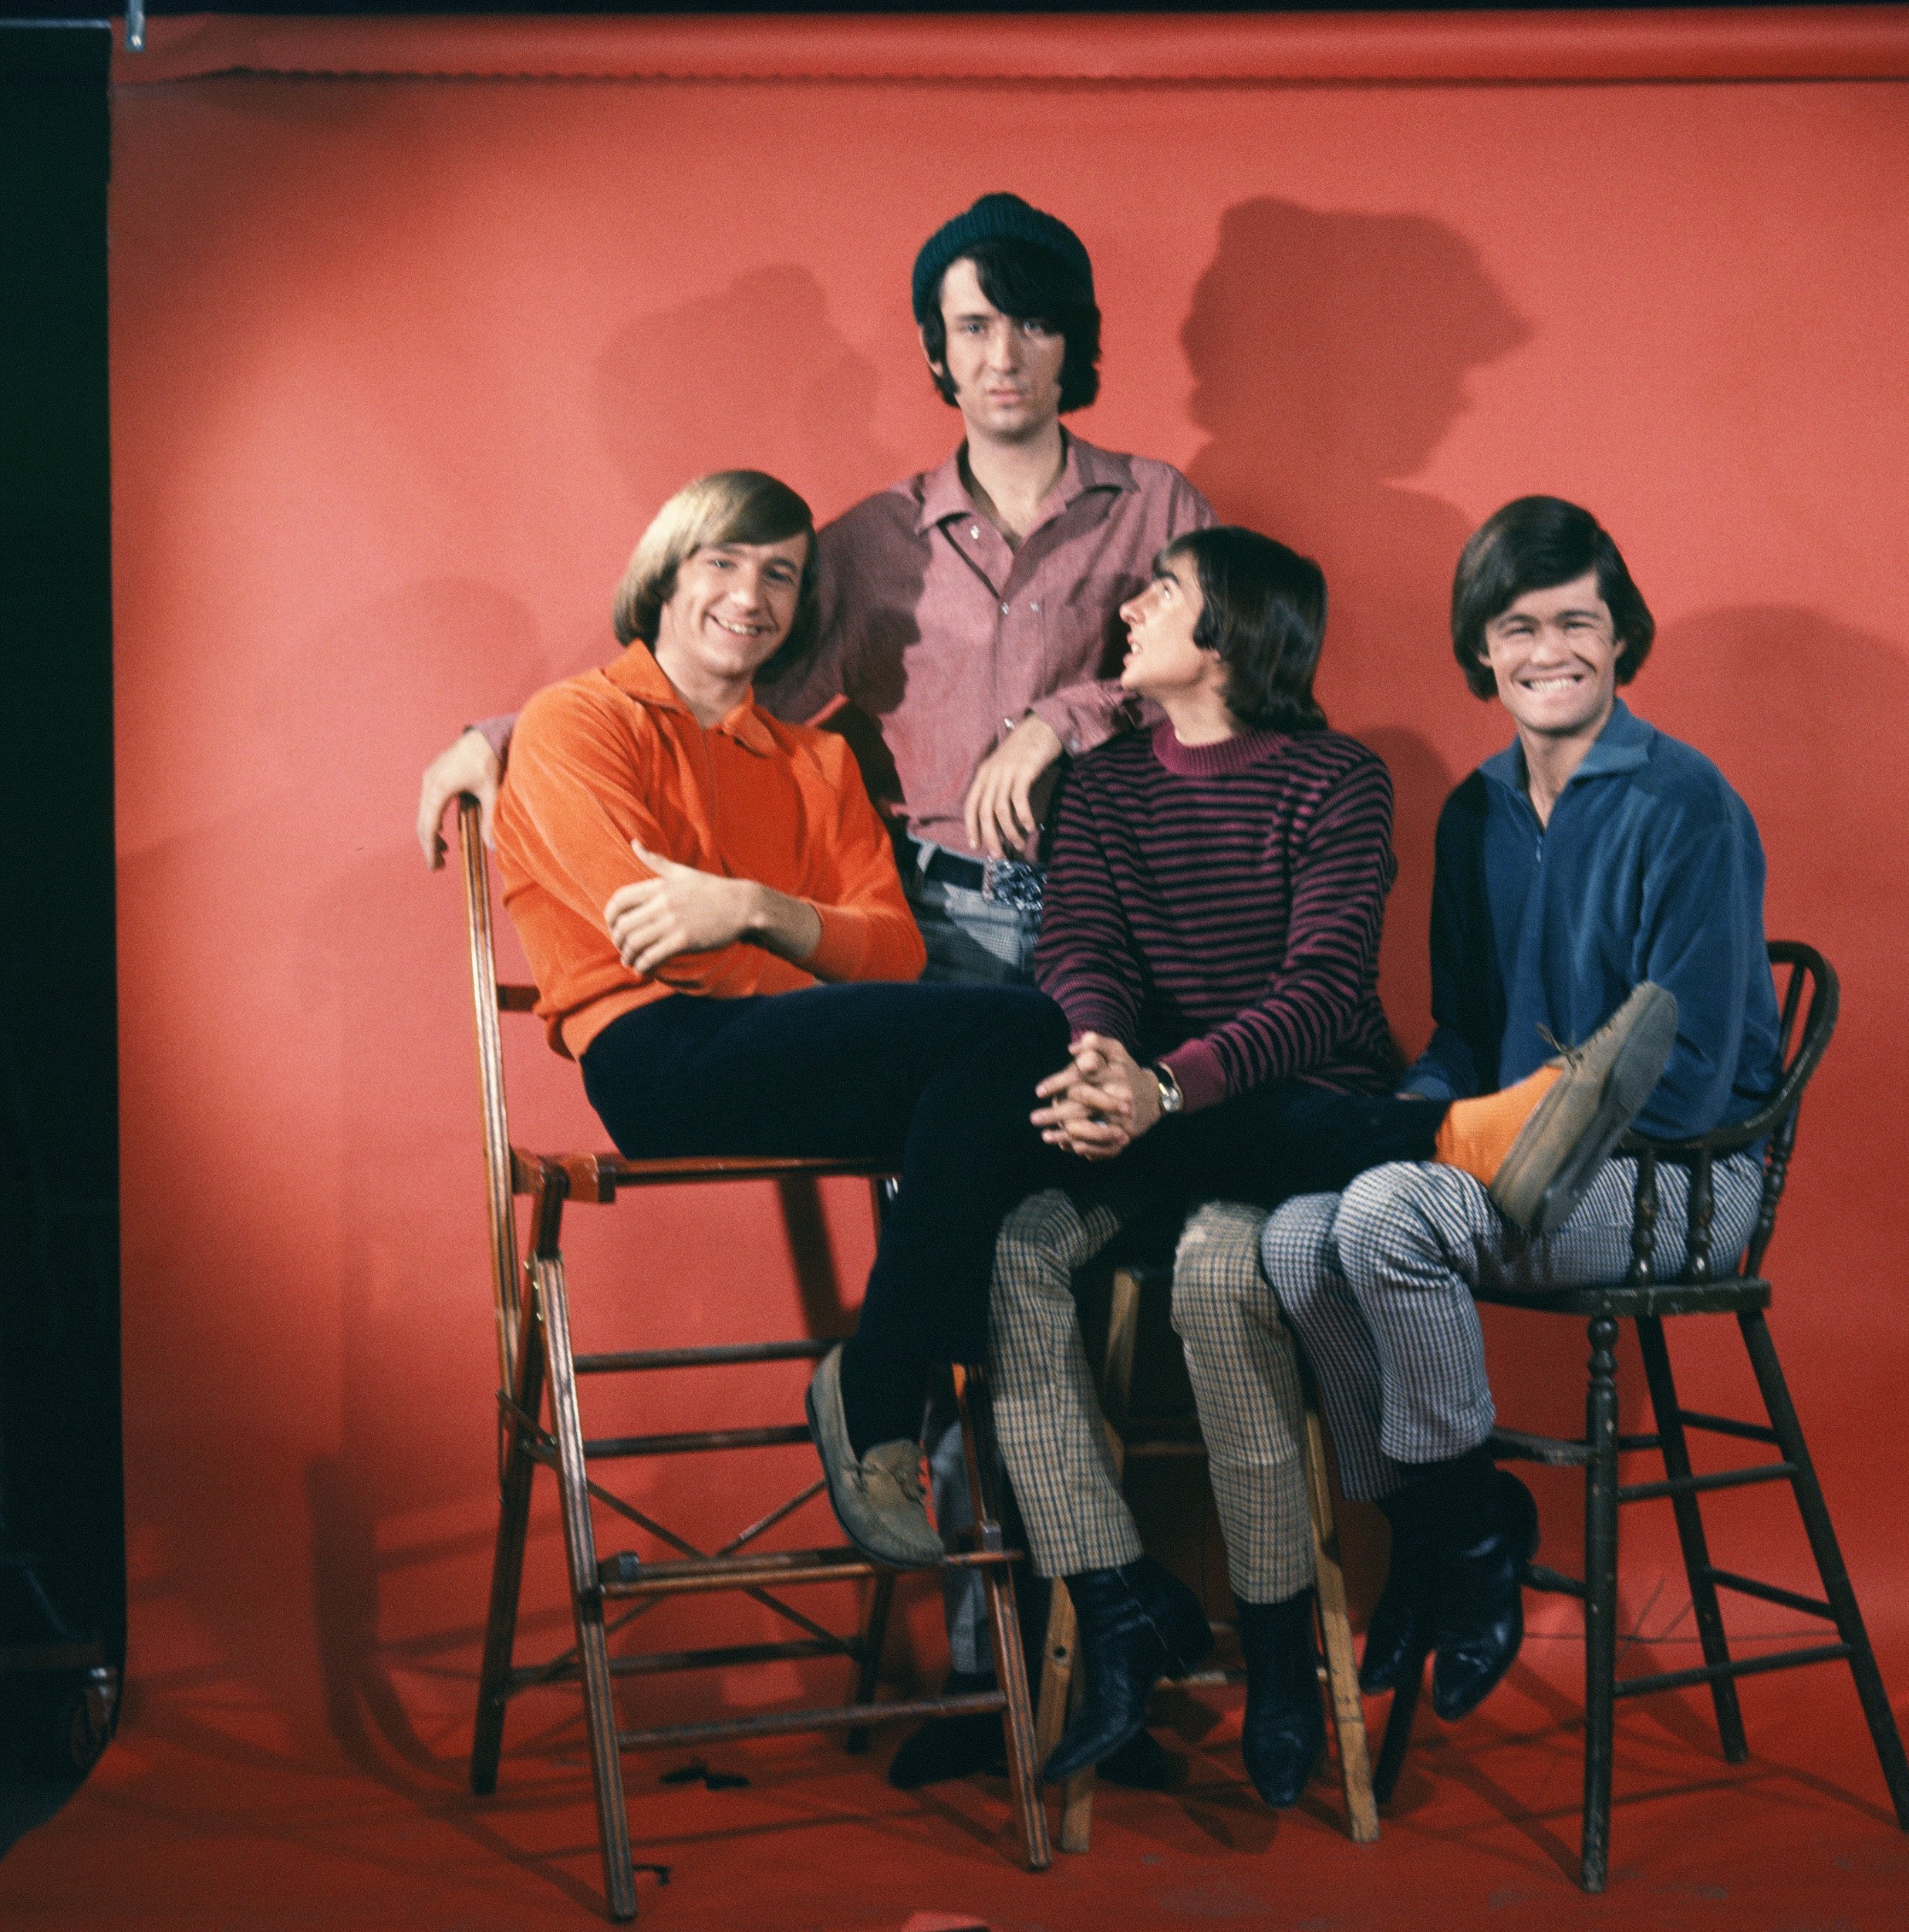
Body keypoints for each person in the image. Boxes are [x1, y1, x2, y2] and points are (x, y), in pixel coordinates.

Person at [418, 193, 1214, 1783]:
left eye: (1031, 319)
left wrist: (1056, 719)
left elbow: (1208, 663)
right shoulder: (860, 545)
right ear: (934, 347)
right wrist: (500, 741)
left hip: (1105, 926)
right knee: (992, 1221)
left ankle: (1066, 1644)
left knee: (1065, 1262)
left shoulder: (1156, 503)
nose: (1002, 352)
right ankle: (1007, 1659)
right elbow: (689, 687)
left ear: (1075, 340)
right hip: (886, 974)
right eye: (971, 323)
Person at [989, 524, 1678, 1809]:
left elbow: (1318, 1000)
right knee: (1016, 1249)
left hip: (1278, 1103)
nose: (1130, 607)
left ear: (1234, 632)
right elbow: (1077, 949)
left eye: (1163, 591)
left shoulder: (1335, 781)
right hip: (1144, 1105)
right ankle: (1117, 1596)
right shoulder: (1102, 789)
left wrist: (1162, 1087)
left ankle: (1280, 1655)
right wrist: (1098, 1057)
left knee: (1214, 1273)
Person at [489, 468, 1075, 1578]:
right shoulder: (578, 721)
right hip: (658, 1060)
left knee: (1006, 1072)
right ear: (665, 573)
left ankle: (895, 1397)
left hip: (779, 1056)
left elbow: (895, 954)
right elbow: (653, 939)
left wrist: (752, 908)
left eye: (782, 576)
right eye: (723, 562)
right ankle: (883, 1396)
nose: (751, 596)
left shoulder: (820, 761)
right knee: (1010, 1039)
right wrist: (808, 945)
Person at [1260, 496, 1783, 1731]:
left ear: (1621, 636)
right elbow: (1458, 1037)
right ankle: (1445, 1521)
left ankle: (1474, 1542)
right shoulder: (1476, 814)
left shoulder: (1683, 803)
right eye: (1518, 629)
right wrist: (1417, 1116)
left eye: (1577, 623)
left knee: (1388, 1212)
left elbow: (1696, 1073)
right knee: (1294, 1233)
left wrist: (1452, 1146)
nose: (1550, 652)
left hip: (1682, 1183)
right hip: (1513, 1167)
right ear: (1480, 653)